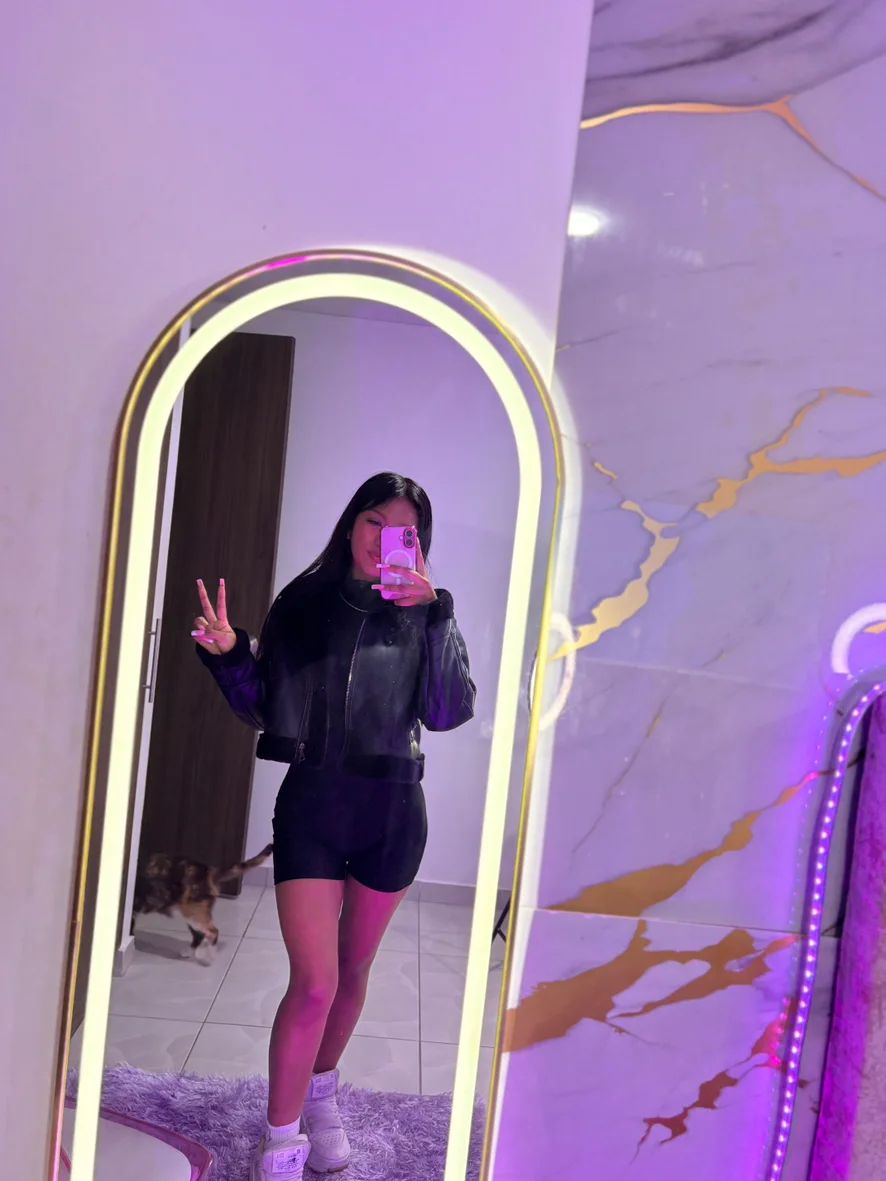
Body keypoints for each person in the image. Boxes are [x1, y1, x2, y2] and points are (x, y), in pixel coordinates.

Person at [192, 472, 476, 1181]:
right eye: (374, 520)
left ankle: (322, 1097)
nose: (384, 539)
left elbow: (447, 712)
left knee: (352, 972)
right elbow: (265, 706)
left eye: (403, 529)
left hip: (394, 813)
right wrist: (230, 655)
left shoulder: (426, 612)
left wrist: (436, 612)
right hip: (314, 807)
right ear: (352, 522)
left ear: (420, 542)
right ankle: (280, 1139)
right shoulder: (304, 602)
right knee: (314, 982)